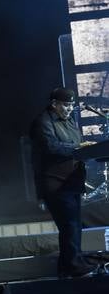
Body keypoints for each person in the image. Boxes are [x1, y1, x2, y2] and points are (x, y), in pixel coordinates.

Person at [29, 87, 96, 278]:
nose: (69, 109)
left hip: (71, 183)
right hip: (55, 184)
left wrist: (87, 150)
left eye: (71, 105)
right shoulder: (43, 122)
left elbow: (77, 146)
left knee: (73, 226)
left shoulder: (70, 121)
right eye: (66, 105)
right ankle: (73, 267)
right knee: (69, 226)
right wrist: (79, 148)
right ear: (54, 104)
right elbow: (51, 147)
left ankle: (68, 267)